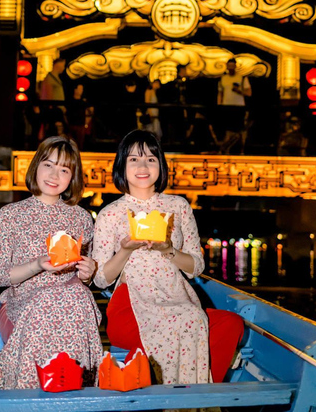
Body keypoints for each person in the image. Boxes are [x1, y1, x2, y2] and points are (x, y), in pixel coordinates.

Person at [91, 130, 243, 385]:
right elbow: (100, 279)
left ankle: (196, 398)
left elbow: (196, 267)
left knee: (230, 323)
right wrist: (126, 250)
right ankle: (179, 397)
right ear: (122, 166)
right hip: (131, 304)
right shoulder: (111, 213)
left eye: (151, 159)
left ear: (160, 166)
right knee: (188, 321)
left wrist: (167, 250)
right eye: (133, 159)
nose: (143, 166)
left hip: (177, 299)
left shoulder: (178, 206)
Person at [0, 136, 102, 389]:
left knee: (76, 294)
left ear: (72, 178)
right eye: (48, 164)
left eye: (64, 169)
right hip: (24, 303)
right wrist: (38, 264)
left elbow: (85, 278)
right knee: (53, 299)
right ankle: (32, 390)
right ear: (35, 167)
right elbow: (1, 277)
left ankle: (72, 388)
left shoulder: (82, 218)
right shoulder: (10, 215)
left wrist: (88, 272)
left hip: (71, 304)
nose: (54, 174)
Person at [217, 58, 251, 154]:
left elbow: (249, 93)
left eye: (233, 66)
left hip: (239, 107)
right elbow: (220, 93)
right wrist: (219, 104)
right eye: (229, 66)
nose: (231, 68)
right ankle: (225, 149)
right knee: (227, 130)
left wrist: (239, 91)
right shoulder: (223, 78)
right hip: (227, 106)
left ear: (235, 66)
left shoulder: (242, 78)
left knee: (239, 130)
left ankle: (241, 150)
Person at [39, 58, 67, 137]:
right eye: (63, 65)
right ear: (58, 64)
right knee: (54, 130)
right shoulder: (50, 78)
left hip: (57, 109)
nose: (63, 68)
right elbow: (49, 95)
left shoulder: (54, 78)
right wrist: (52, 106)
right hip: (54, 110)